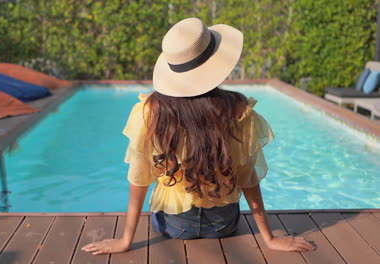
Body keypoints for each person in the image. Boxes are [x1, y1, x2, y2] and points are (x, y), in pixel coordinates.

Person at [82, 17, 316, 255]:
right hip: (223, 224)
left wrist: (125, 240)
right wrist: (268, 238)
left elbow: (139, 179)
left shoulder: (150, 111)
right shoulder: (238, 109)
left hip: (174, 225)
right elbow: (248, 178)